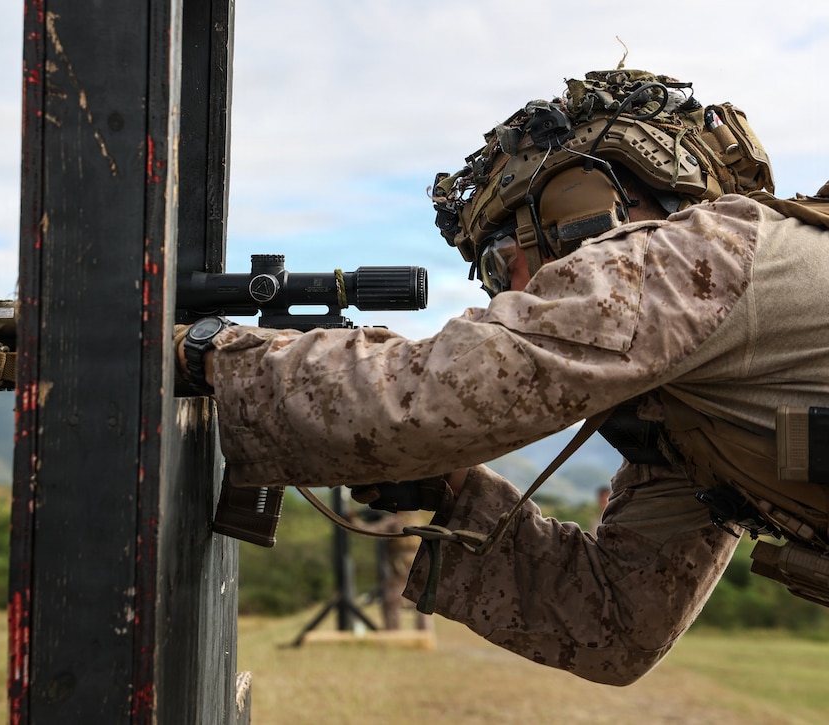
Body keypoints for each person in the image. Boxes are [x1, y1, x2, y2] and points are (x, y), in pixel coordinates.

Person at [176, 68, 829, 685]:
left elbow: (422, 399)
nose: (503, 297)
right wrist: (452, 488)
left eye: (499, 262)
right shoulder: (699, 407)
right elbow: (616, 621)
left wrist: (207, 350)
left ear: (584, 210)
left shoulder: (699, 254)